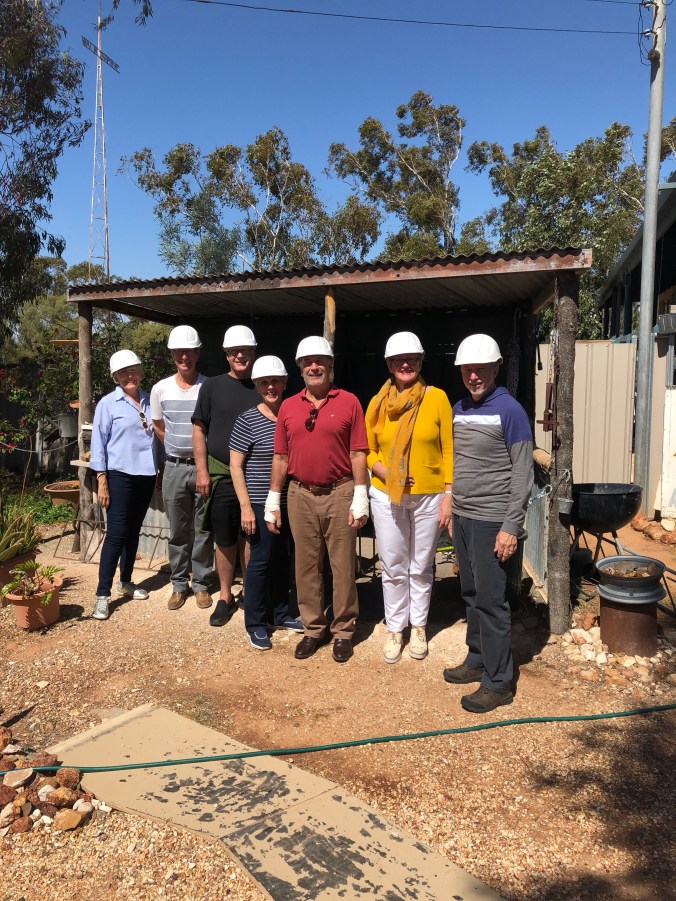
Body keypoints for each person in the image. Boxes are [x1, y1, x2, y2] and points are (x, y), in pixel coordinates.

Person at [265, 336, 369, 663]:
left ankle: (343, 631)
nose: (314, 367)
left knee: (342, 566)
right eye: (307, 362)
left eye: (320, 361)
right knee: (306, 566)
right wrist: (273, 499)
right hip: (300, 494)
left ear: (330, 365)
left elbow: (358, 452)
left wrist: (361, 494)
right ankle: (313, 627)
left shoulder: (349, 401)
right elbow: (280, 457)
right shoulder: (288, 406)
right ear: (299, 368)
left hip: (340, 491)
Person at [443, 333, 533, 714]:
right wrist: (452, 507)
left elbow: (523, 473)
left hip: (491, 520)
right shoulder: (459, 408)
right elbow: (457, 463)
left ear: (496, 368)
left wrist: (511, 526)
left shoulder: (510, 411)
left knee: (492, 602)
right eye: (468, 370)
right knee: (470, 593)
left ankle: (498, 682)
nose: (474, 376)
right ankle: (477, 658)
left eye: (481, 369)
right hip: (463, 517)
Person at [365, 332, 453, 664]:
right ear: (389, 365)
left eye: (412, 359)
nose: (406, 365)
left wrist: (449, 494)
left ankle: (418, 626)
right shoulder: (377, 404)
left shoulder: (437, 398)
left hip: (429, 495)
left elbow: (450, 449)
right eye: (399, 360)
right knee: (392, 565)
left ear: (420, 362)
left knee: (421, 565)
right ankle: (394, 628)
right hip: (386, 495)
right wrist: (387, 472)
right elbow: (366, 450)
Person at [229, 355, 303, 650]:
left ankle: (279, 614)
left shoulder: (292, 416)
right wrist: (246, 507)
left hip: (289, 501)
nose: (270, 387)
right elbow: (236, 466)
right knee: (260, 561)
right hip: (260, 503)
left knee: (283, 559)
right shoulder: (247, 420)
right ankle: (256, 622)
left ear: (284, 383)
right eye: (264, 383)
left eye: (275, 382)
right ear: (257, 386)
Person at [192, 325, 257, 628]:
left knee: (252, 535)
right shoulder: (212, 386)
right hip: (222, 474)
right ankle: (225, 595)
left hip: (256, 474)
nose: (240, 355)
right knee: (225, 537)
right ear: (226, 355)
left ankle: (250, 592)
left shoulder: (264, 384)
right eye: (234, 351)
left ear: (253, 352)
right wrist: (202, 470)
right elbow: (199, 429)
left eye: (245, 350)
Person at [90, 350, 159, 621]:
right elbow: (98, 442)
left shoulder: (150, 400)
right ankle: (102, 594)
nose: (129, 376)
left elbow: (157, 436)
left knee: (133, 531)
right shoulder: (108, 404)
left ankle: (126, 581)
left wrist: (160, 468)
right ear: (115, 377)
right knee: (117, 533)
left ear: (140, 372)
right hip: (119, 475)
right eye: (123, 373)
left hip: (146, 475)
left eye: (133, 371)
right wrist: (102, 480)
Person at [150, 325, 213, 612]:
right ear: (172, 355)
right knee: (177, 529)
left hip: (203, 468)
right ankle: (178, 584)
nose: (184, 357)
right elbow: (157, 425)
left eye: (189, 351)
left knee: (203, 528)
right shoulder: (160, 389)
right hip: (174, 468)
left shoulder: (208, 387)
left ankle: (200, 584)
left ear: (198, 353)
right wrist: (175, 445)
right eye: (179, 352)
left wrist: (200, 460)